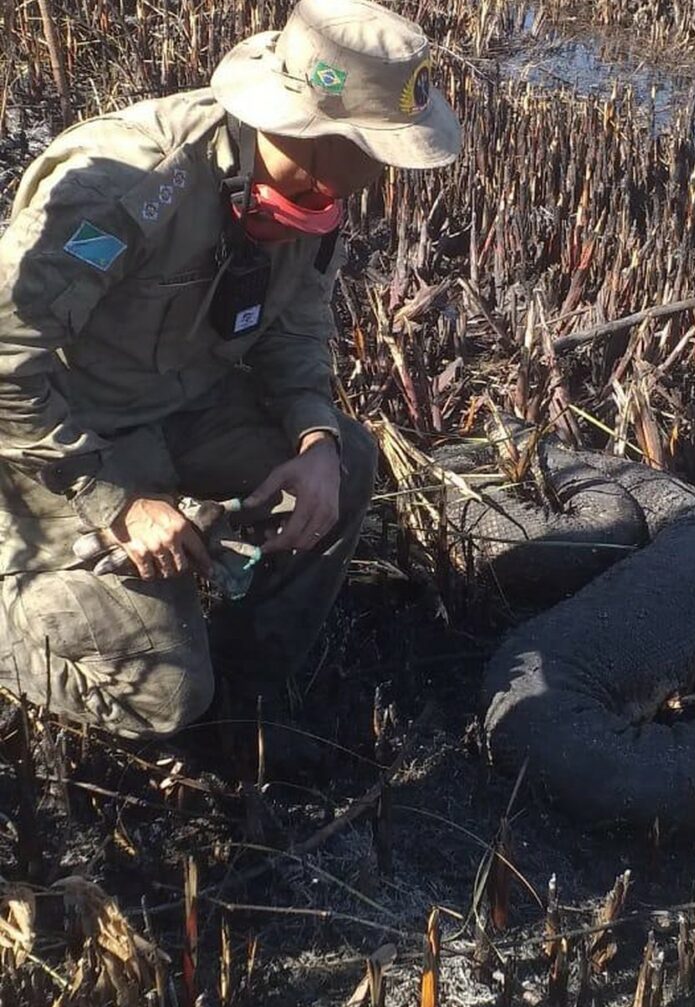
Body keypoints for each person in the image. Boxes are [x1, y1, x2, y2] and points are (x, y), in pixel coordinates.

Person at [0, 0, 460, 743]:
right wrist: (115, 500)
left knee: (346, 461)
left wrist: (312, 437)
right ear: (319, 130)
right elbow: (4, 361)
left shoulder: (318, 192)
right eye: (380, 148)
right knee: (164, 698)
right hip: (63, 435)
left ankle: (250, 687)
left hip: (186, 406)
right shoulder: (126, 185)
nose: (386, 172)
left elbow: (294, 321)